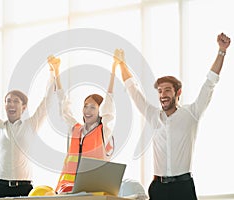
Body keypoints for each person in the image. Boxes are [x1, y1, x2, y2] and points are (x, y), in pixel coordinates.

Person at [117, 33, 231, 200]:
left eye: (167, 90)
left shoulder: (192, 113)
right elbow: (133, 90)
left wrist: (221, 51)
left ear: (178, 92)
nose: (163, 94)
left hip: (183, 188)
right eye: (160, 91)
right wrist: (121, 64)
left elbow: (210, 83)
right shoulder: (153, 115)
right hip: (158, 188)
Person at [0, 54, 55, 198]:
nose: (11, 104)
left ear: (23, 107)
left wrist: (53, 72)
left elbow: (48, 102)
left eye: (16, 101)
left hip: (24, 188)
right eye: (8, 101)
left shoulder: (31, 125)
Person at [47, 52, 119, 194]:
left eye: (93, 107)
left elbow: (109, 103)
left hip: (94, 188)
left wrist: (114, 68)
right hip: (68, 189)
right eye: (85, 106)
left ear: (100, 111)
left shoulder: (104, 131)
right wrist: (56, 71)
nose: (87, 110)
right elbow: (64, 105)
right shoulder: (75, 129)